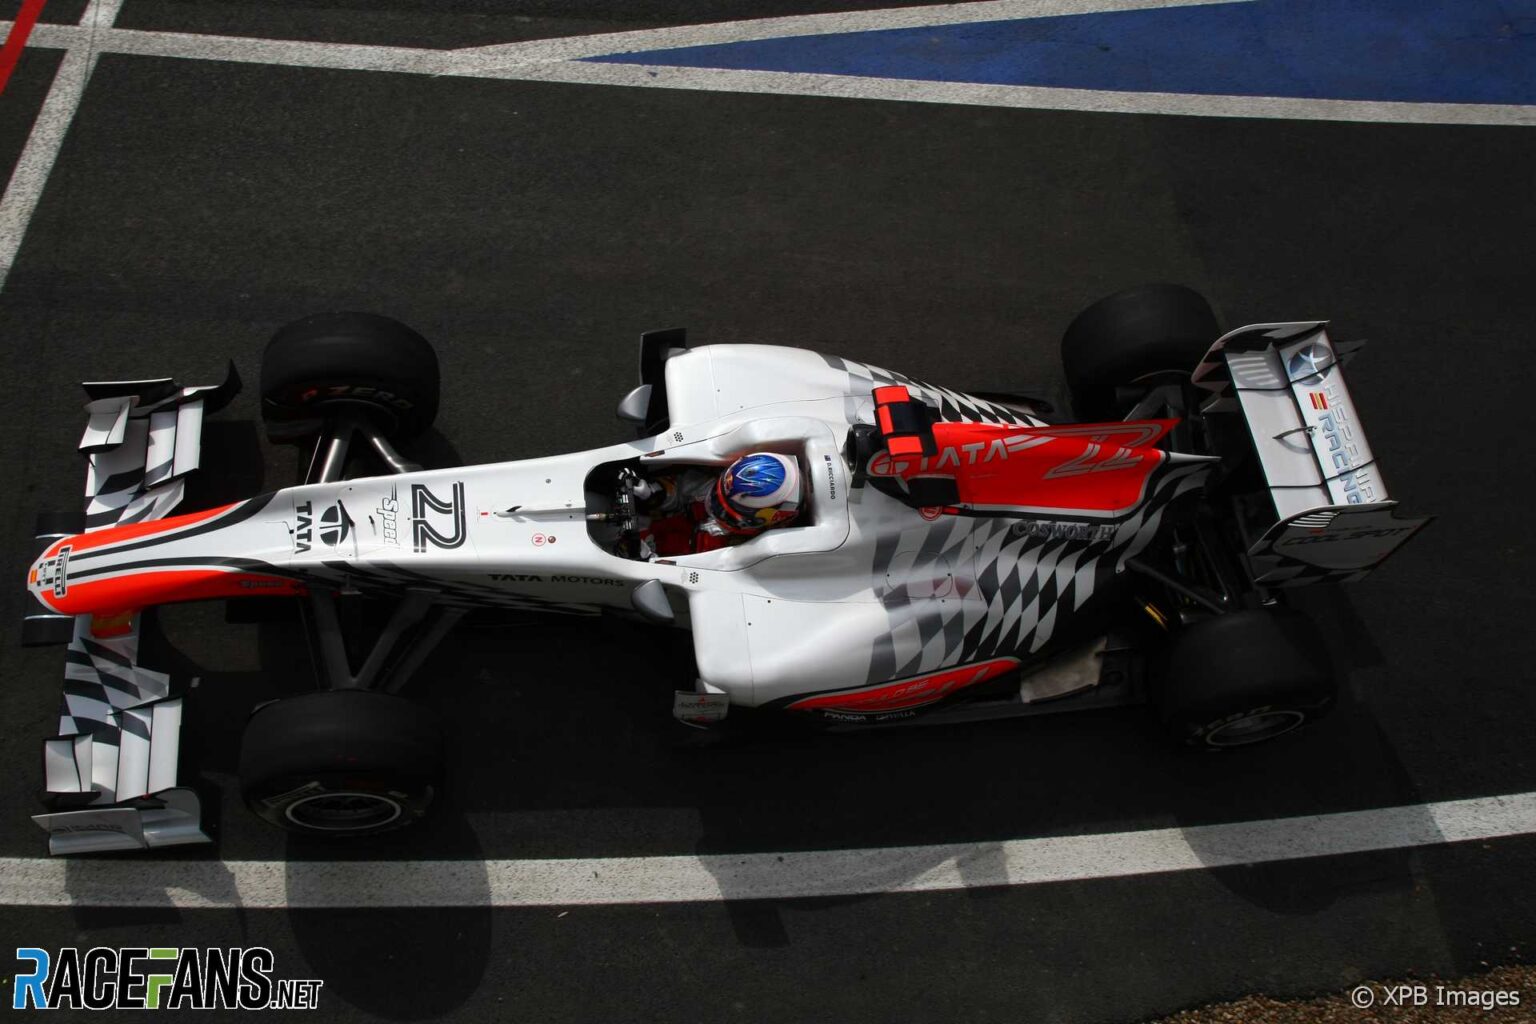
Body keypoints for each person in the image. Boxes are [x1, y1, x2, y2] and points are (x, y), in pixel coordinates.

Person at [631, 452, 802, 558]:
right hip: (653, 523)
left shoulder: (747, 551)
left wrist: (651, 560)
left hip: (654, 550)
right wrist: (654, 493)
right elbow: (683, 490)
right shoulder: (720, 489)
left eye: (726, 512)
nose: (713, 507)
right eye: (716, 497)